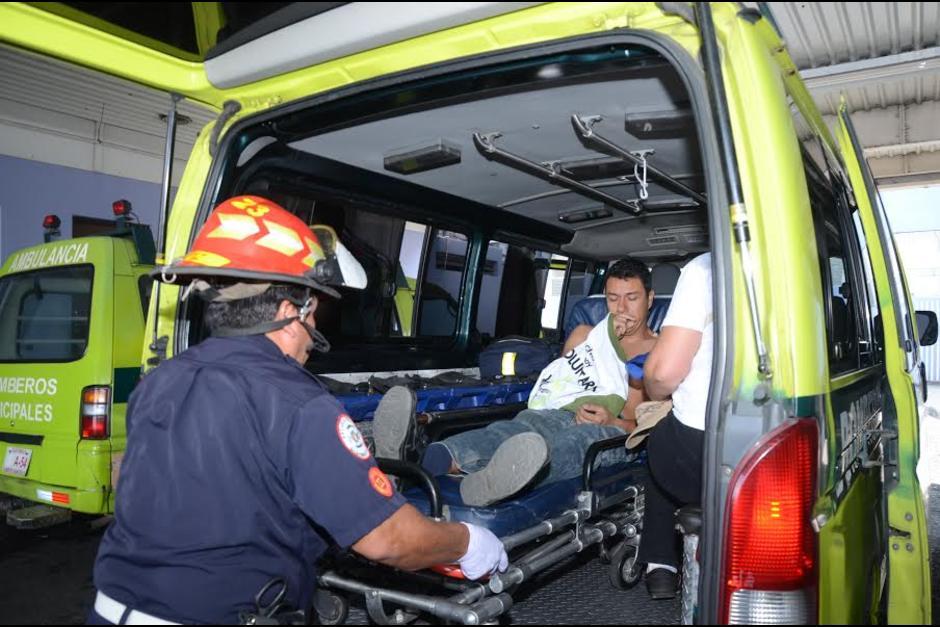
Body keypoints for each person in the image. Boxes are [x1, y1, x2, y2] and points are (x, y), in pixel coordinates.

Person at [90, 197, 507, 625]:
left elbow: (131, 479)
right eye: (315, 308)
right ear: (292, 313)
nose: (316, 328)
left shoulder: (161, 380)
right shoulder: (298, 403)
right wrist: (467, 542)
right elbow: (389, 540)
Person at [374, 258, 657, 507]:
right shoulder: (585, 335)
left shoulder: (659, 355)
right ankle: (412, 464)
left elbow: (647, 430)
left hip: (612, 435)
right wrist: (603, 341)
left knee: (573, 442)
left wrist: (612, 421)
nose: (621, 308)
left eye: (631, 298)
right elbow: (558, 386)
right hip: (554, 414)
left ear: (650, 298)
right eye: (612, 298)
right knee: (507, 432)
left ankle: (501, 478)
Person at [639, 252, 712, 599]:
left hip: (698, 447)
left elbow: (663, 374)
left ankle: (660, 564)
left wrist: (652, 392)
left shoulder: (705, 269)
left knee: (659, 444)